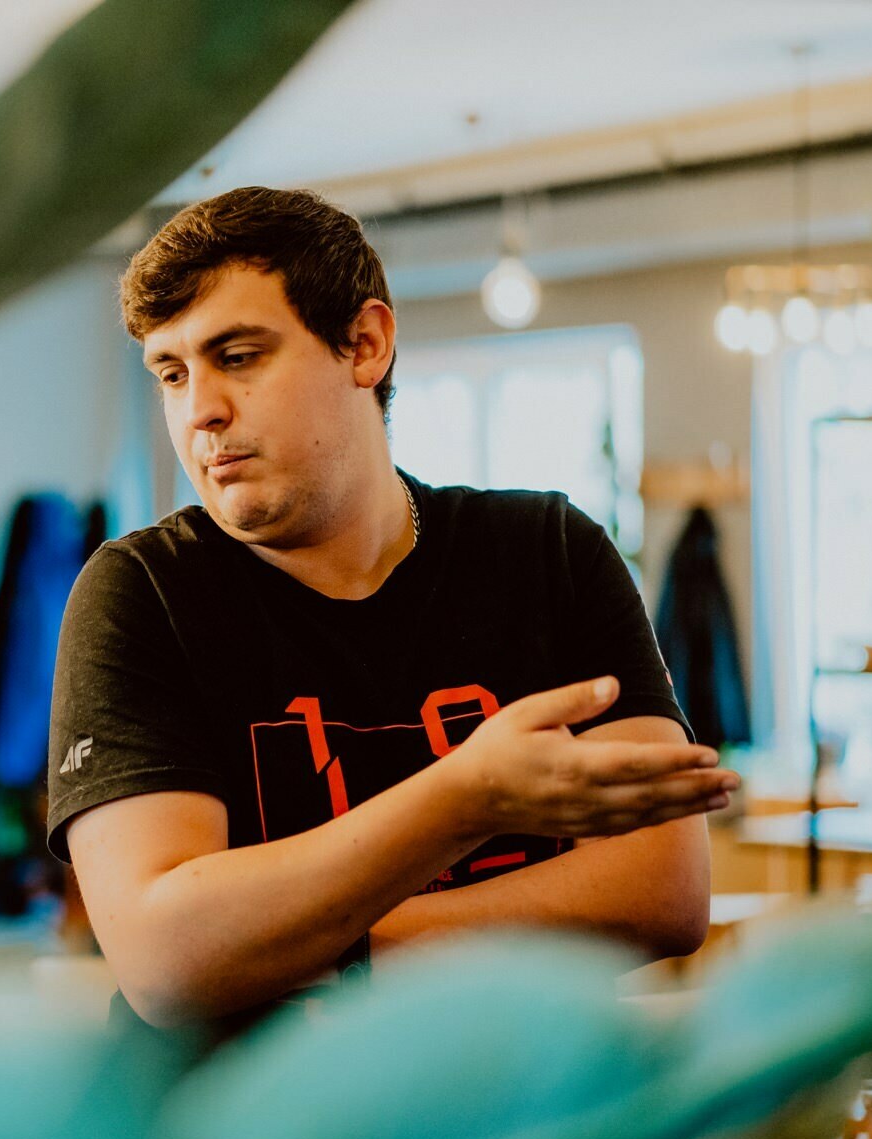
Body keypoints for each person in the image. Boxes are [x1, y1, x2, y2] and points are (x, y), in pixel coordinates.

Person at [47, 188, 739, 1035]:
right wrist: (467, 798)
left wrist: (313, 946)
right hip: (234, 1136)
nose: (200, 411)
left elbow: (662, 889)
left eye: (238, 355)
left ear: (364, 345)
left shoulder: (548, 551)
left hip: (517, 1120)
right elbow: (168, 960)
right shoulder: (140, 593)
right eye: (172, 372)